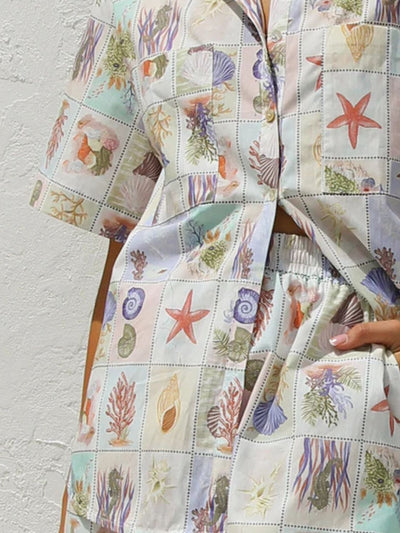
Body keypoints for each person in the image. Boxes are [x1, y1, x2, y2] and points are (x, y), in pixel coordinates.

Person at [29, 0, 400, 530]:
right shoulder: (133, 6)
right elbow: (121, 239)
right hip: (150, 407)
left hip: (346, 392)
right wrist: (84, 469)